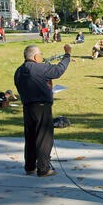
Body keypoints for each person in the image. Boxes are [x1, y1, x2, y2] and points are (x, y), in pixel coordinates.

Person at [14, 44, 71, 177]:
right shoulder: (39, 67)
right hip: (41, 105)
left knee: (30, 137)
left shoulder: (18, 71)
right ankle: (43, 168)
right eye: (40, 55)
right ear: (35, 56)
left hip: (27, 106)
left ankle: (29, 166)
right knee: (44, 136)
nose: (41, 57)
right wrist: (67, 54)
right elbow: (58, 70)